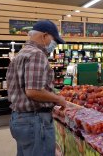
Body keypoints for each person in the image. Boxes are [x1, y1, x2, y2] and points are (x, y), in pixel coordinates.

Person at [7, 20, 66, 156]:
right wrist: (58, 99)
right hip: (35, 121)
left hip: (19, 119)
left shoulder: (21, 54)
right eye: (54, 40)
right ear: (44, 36)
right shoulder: (37, 54)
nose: (54, 44)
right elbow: (33, 91)